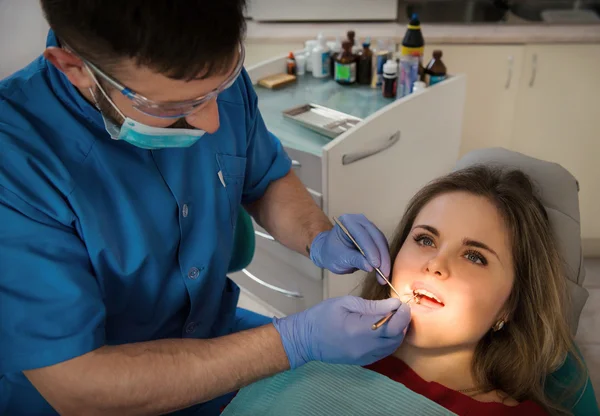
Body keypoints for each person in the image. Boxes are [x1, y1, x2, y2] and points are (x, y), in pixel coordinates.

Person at [0, 1, 412, 414]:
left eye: (221, 87)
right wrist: (294, 341)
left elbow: (264, 179)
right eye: (172, 108)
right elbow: (77, 385)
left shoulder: (204, 74)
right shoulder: (16, 157)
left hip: (215, 336)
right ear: (74, 67)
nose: (213, 122)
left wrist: (318, 235)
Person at [361, 165, 587, 415]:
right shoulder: (325, 346)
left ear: (509, 305)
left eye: (474, 257)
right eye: (425, 240)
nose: (435, 264)